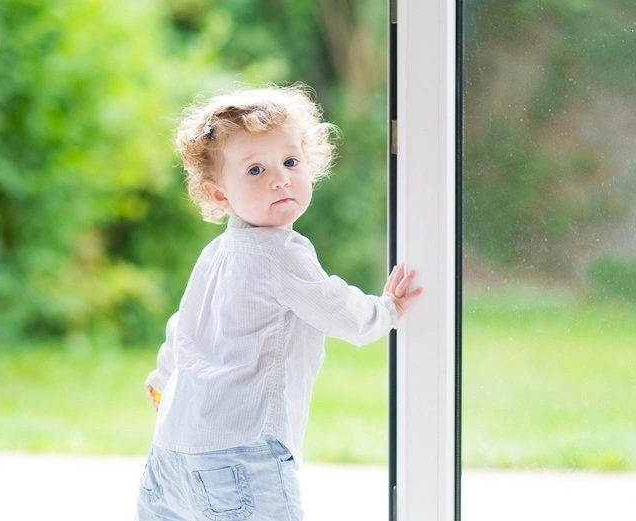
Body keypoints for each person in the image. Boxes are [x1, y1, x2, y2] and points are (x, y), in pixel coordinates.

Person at [135, 84, 422, 521]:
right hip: (240, 452)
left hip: (172, 449)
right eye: (255, 170)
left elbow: (183, 328)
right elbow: (338, 308)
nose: (280, 178)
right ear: (219, 195)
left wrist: (163, 379)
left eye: (290, 162)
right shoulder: (279, 252)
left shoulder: (216, 254)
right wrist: (388, 310)